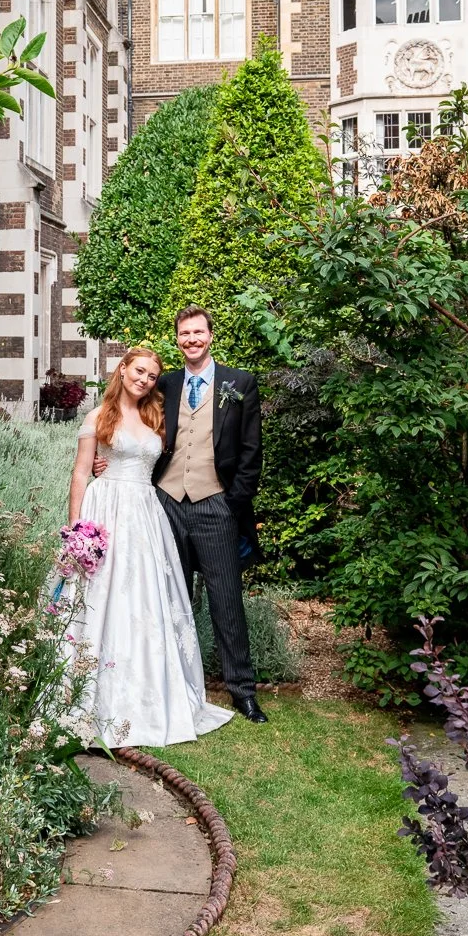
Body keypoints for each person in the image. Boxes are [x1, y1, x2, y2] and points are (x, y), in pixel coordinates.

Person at [61, 345, 233, 748]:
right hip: (105, 511)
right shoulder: (97, 417)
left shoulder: (157, 418)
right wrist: (77, 531)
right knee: (102, 597)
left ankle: (149, 694)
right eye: (139, 371)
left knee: (144, 600)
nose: (145, 379)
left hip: (145, 515)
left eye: (152, 376)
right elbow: (81, 473)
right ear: (122, 370)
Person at [151, 306, 267, 723]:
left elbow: (252, 452)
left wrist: (232, 503)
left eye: (198, 332)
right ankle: (175, 686)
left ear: (211, 336)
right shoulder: (165, 383)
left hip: (216, 504)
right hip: (166, 503)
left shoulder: (239, 383)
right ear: (178, 338)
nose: (191, 339)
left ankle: (242, 691)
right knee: (170, 599)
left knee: (226, 600)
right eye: (184, 333)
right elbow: (133, 422)